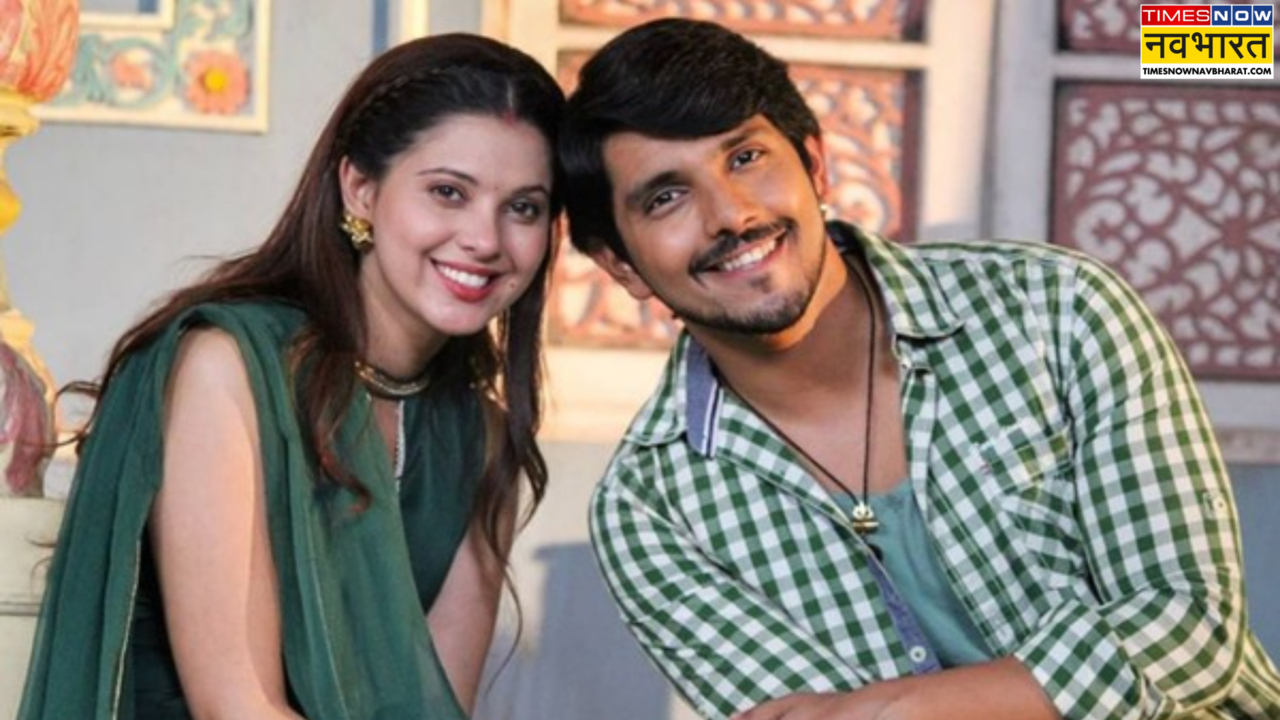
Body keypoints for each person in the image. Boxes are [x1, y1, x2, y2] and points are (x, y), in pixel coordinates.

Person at [560, 17, 1280, 720]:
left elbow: (1188, 628)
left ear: (815, 164)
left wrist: (893, 708)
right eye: (666, 197)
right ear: (621, 266)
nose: (731, 214)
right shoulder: (650, 512)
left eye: (746, 158)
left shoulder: (1056, 309)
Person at [19, 33, 563, 720]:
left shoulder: (479, 435)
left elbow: (436, 708)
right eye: (448, 192)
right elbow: (235, 704)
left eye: (523, 208)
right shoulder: (228, 367)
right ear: (360, 189)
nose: (485, 238)